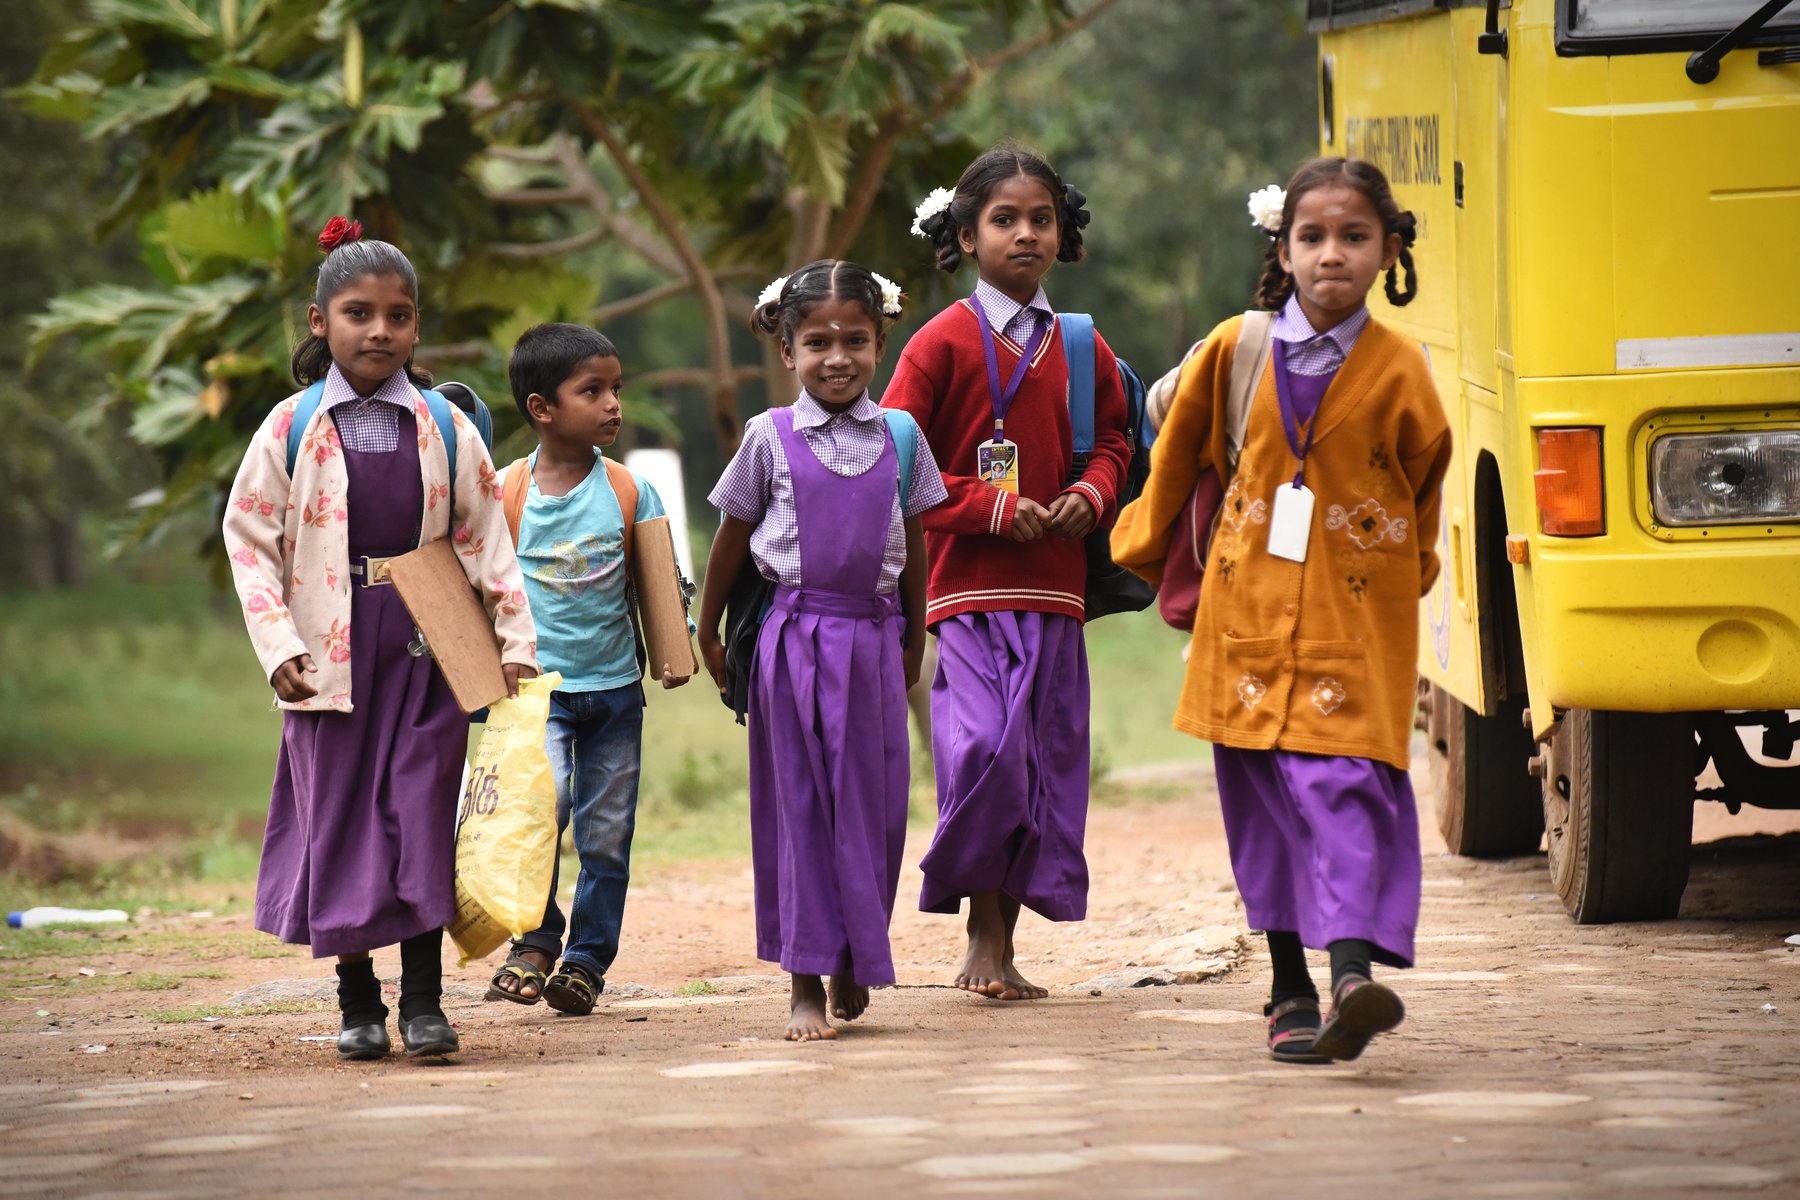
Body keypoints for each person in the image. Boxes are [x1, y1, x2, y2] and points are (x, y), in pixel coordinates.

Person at [1111, 157, 1452, 1063]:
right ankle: (1288, 987)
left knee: (1341, 788)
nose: (1331, 254)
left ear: (1388, 251)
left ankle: (1348, 975)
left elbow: (1424, 488)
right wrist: (1133, 555)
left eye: (1353, 237)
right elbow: (1175, 460)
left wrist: (1403, 574)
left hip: (1355, 621)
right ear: (1284, 248)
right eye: (1313, 237)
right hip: (1247, 614)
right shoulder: (1235, 348)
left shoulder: (1403, 370)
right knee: (1261, 804)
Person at [222, 217, 538, 1061]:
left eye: (398, 316)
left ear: (416, 327)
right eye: (358, 314)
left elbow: (484, 538)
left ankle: (427, 1002)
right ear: (320, 322)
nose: (380, 331)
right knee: (343, 822)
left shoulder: (444, 424)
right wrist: (277, 643)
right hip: (329, 655)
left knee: (419, 815)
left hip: (429, 651)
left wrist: (511, 640)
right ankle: (358, 1002)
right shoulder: (290, 425)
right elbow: (249, 540)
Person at [884, 147, 1131, 1002]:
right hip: (964, 591)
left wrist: (1091, 496)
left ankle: (1002, 940)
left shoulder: (1081, 343)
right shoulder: (939, 341)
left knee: (1036, 767)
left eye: (1041, 219)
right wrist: (988, 507)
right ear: (965, 236)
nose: (1024, 233)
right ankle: (977, 928)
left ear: (1063, 235)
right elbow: (895, 452)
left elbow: (1112, 443)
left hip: (1056, 593)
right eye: (1004, 219)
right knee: (983, 750)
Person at [695, 259, 946, 1041]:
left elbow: (917, 545)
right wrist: (705, 630)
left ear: (881, 344)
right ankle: (805, 980)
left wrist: (913, 636)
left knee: (873, 810)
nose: (837, 357)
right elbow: (732, 540)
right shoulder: (766, 439)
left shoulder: (904, 436)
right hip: (793, 644)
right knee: (800, 807)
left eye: (856, 340)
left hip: (874, 643)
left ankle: (854, 955)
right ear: (787, 351)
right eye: (817, 342)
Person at [483, 323, 687, 1016]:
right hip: (536, 694)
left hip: (616, 696)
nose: (612, 405)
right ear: (542, 408)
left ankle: (586, 961)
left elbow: (660, 582)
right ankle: (536, 940)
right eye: (591, 391)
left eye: (616, 389)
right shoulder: (506, 494)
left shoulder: (631, 491)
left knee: (606, 836)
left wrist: (677, 650)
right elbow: (479, 584)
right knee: (537, 814)